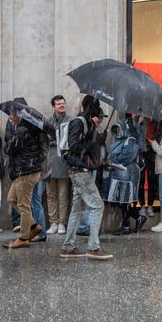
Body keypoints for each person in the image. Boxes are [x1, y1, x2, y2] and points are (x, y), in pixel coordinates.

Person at [60, 96, 112, 260]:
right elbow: (74, 146)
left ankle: (68, 246)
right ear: (89, 107)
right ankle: (93, 247)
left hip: (81, 170)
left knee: (77, 209)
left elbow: (88, 145)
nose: (98, 114)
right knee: (97, 206)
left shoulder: (88, 124)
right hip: (79, 171)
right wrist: (94, 140)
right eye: (96, 109)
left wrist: (97, 139)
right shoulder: (79, 122)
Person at [2, 108, 44, 249]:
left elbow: (9, 149)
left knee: (23, 205)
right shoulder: (24, 128)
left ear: (17, 115)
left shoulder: (22, 130)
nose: (9, 117)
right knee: (11, 199)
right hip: (23, 170)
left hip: (26, 171)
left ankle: (23, 238)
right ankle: (33, 226)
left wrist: (10, 138)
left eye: (11, 114)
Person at [104, 120, 144, 236]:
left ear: (124, 128)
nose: (117, 131)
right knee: (117, 200)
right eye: (115, 129)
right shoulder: (116, 141)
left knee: (124, 200)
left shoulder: (130, 140)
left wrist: (112, 159)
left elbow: (127, 157)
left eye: (119, 128)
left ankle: (126, 226)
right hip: (117, 174)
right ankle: (138, 217)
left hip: (128, 175)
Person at [46, 95, 72, 234]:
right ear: (53, 106)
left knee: (63, 194)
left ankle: (62, 222)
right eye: (58, 104)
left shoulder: (70, 120)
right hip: (50, 161)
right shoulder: (48, 121)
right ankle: (53, 222)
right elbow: (44, 141)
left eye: (63, 103)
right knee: (51, 195)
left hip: (63, 161)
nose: (62, 105)